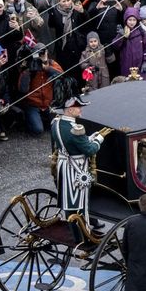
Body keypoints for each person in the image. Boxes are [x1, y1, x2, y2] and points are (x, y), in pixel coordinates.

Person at [50, 95, 105, 233]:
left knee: (69, 201)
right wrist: (99, 138)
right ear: (69, 110)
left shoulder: (56, 123)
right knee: (79, 203)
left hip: (63, 165)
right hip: (77, 169)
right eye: (77, 107)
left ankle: (73, 229)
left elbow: (73, 143)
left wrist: (89, 138)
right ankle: (82, 234)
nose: (80, 109)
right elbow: (89, 149)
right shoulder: (76, 129)